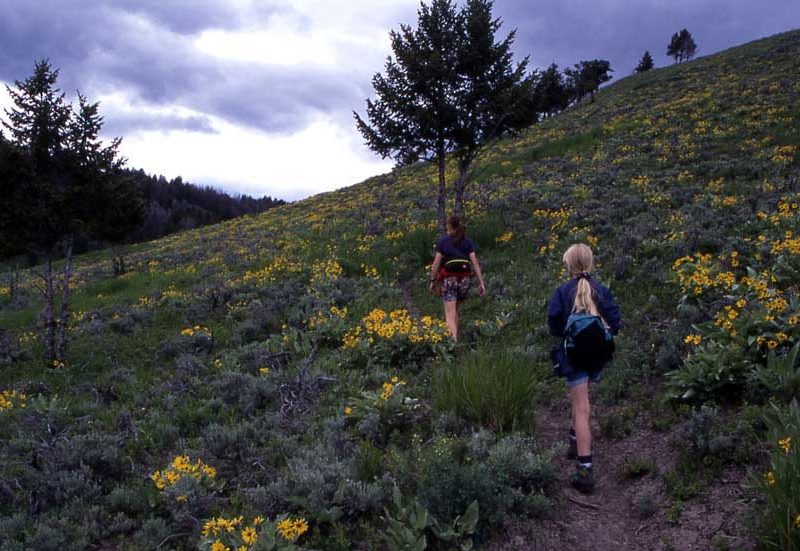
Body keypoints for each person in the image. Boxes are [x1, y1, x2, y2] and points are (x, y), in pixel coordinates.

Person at [547, 243, 621, 493]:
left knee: (582, 409)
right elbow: (616, 321)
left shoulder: (562, 291)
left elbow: (554, 324)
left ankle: (585, 470)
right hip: (597, 357)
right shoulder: (601, 289)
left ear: (569, 265)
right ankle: (573, 439)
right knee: (582, 402)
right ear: (589, 263)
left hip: (574, 356)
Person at [429, 216, 486, 341]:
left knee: (449, 314)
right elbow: (475, 263)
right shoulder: (468, 242)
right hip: (465, 281)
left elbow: (436, 264)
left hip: (449, 279)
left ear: (449, 226)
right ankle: (456, 338)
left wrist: (433, 281)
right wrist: (481, 283)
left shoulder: (443, 241)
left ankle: (453, 342)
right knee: (454, 310)